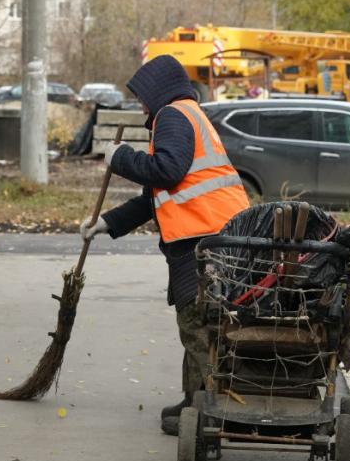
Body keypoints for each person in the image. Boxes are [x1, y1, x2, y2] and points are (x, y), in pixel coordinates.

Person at [79, 55, 250, 435]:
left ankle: (210, 410)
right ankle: (195, 400)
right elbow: (152, 196)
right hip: (213, 235)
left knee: (197, 325)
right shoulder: (186, 115)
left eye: (141, 96)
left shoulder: (172, 116)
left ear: (157, 91)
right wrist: (106, 223)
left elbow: (167, 171)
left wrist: (120, 157)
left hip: (205, 241)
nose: (140, 104)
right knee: (199, 323)